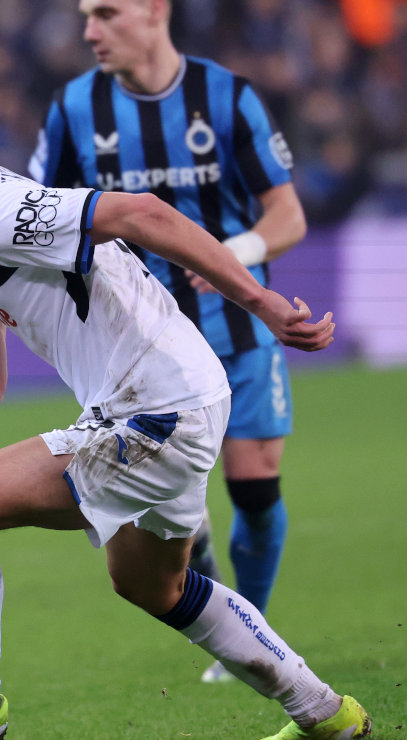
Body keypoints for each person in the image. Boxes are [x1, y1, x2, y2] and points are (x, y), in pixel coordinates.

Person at [0, 64, 369, 740]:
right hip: (173, 400)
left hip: (156, 410)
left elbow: (144, 215)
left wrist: (261, 302)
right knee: (149, 583)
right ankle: (324, 710)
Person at [29, 0, 306, 684]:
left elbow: (288, 215)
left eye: (106, 13)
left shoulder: (228, 98)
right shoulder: (73, 110)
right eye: (85, 16)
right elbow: (38, 213)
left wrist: (231, 257)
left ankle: (252, 637)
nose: (89, 31)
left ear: (155, 9)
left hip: (237, 327)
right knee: (175, 517)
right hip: (139, 348)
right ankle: (218, 600)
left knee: (256, 490)